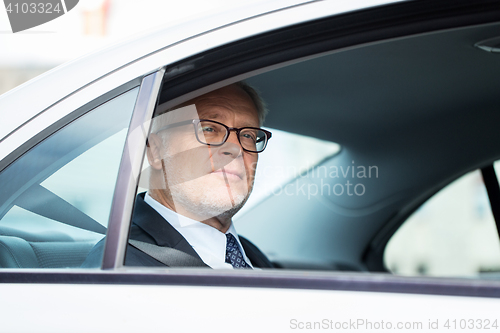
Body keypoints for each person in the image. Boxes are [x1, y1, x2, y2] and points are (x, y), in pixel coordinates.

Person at [82, 82, 273, 269]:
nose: (236, 148)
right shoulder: (120, 265)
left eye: (248, 135)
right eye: (208, 129)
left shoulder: (250, 254)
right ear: (156, 151)